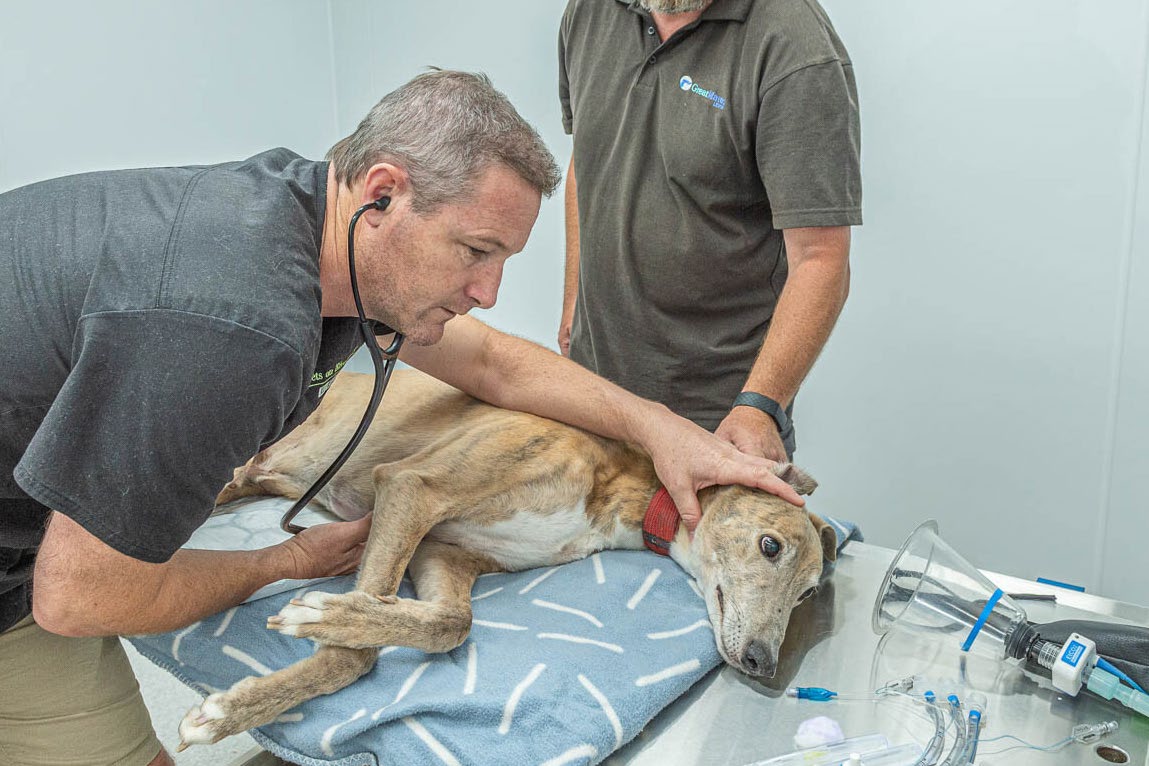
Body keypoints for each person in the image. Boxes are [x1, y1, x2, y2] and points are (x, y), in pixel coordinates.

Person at [0, 70, 802, 766]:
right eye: (474, 252)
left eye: (503, 262)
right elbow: (81, 599)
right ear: (382, 193)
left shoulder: (309, 218)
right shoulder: (235, 332)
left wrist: (660, 428)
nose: (487, 291)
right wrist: (283, 565)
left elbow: (493, 363)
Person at [558, 0, 862, 463]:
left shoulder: (795, 47)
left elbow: (821, 258)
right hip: (588, 399)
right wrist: (572, 306)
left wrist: (759, 407)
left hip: (714, 426)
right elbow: (590, 155)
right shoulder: (587, 11)